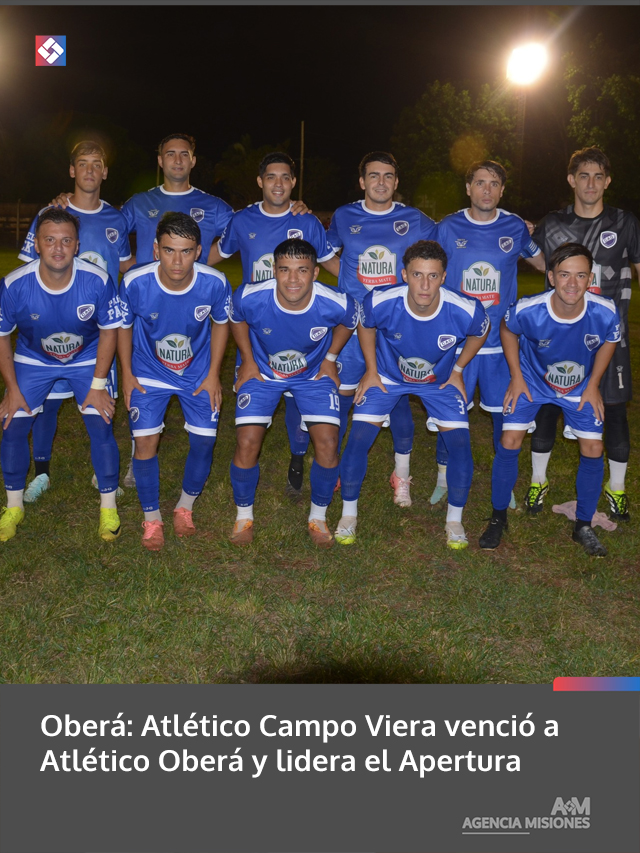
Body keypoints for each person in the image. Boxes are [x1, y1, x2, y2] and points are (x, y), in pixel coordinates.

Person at [336, 240, 489, 550]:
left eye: (433, 276)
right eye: (417, 275)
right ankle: (348, 515)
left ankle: (454, 521)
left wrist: (458, 370)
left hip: (438, 383)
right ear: (404, 274)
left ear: (444, 277)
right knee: (358, 439)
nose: (425, 285)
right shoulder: (380, 300)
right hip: (388, 378)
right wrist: (371, 370)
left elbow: (481, 331)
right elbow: (365, 324)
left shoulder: (466, 308)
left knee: (461, 446)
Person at [209, 151, 338, 499]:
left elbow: (330, 264)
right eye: (271, 177)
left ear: (293, 182)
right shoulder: (242, 220)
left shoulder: (307, 221)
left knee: (299, 395)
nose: (278, 184)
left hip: (299, 324)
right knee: (257, 399)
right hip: (256, 330)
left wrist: (369, 291)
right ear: (260, 181)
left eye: (285, 177)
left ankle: (297, 456)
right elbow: (215, 255)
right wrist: (177, 273)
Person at [479, 243, 620, 557]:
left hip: (578, 385)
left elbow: (611, 340)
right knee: (510, 440)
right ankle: (498, 516)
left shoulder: (605, 310)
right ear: (552, 277)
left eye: (580, 275)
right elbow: (507, 329)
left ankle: (583, 525)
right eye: (564, 274)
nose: (572, 283)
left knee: (594, 447)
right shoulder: (529, 309)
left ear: (590, 278)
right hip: (532, 380)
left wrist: (594, 384)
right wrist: (516, 376)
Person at [527, 147, 640, 521]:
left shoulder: (624, 222)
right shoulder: (552, 224)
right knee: (547, 407)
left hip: (609, 338)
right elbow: (539, 263)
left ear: (607, 182)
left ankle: (616, 488)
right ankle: (538, 480)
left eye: (598, 176)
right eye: (584, 176)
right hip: (560, 337)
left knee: (615, 411)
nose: (591, 183)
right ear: (571, 180)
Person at [18, 140, 132, 503]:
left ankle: (103, 473)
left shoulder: (117, 218)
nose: (89, 170)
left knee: (102, 403)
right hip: (54, 328)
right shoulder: (52, 212)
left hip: (99, 334)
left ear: (105, 172)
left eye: (97, 164)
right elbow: (27, 270)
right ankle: (42, 474)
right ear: (72, 170)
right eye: (82, 163)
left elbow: (125, 266)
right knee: (47, 405)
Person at [0, 208, 122, 542]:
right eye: (50, 240)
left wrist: (98, 385)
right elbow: (2, 336)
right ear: (37, 244)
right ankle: (13, 506)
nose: (58, 248)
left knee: (101, 421)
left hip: (86, 357)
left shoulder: (97, 280)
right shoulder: (14, 284)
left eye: (66, 241)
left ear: (77, 245)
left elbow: (109, 332)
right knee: (12, 423)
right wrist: (12, 389)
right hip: (35, 358)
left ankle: (108, 507)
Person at [228, 238, 358, 548]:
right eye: (285, 270)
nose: (293, 279)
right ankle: (243, 516)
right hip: (262, 371)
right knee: (247, 441)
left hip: (311, 374)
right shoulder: (249, 296)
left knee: (328, 443)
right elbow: (236, 318)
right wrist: (247, 359)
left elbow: (349, 322)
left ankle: (318, 517)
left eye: (302, 270)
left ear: (315, 272)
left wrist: (330, 359)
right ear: (274, 270)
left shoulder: (336, 302)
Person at [430, 160, 545, 506]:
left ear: (502, 190)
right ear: (468, 188)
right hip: (457, 342)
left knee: (503, 414)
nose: (487, 190)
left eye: (494, 184)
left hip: (500, 344)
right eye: (480, 183)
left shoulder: (514, 226)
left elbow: (543, 264)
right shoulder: (447, 227)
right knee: (450, 412)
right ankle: (443, 477)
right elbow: (426, 268)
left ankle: (504, 483)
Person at [327, 152, 437, 509]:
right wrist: (347, 276)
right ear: (362, 181)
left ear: (396, 182)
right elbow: (324, 251)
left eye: (388, 176)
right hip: (351, 328)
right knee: (342, 398)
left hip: (394, 329)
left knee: (399, 400)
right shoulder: (344, 215)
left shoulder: (415, 219)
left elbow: (448, 244)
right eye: (373, 175)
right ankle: (333, 468)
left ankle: (401, 475)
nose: (381, 182)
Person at [118, 212, 231, 551]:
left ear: (198, 251)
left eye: (186, 251)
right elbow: (123, 327)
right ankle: (152, 517)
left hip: (196, 373)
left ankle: (185, 506)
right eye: (169, 250)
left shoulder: (215, 283)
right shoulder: (135, 282)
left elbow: (221, 323)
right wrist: (127, 374)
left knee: (204, 443)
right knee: (145, 443)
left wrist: (213, 374)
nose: (177, 261)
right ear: (156, 249)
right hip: (148, 371)